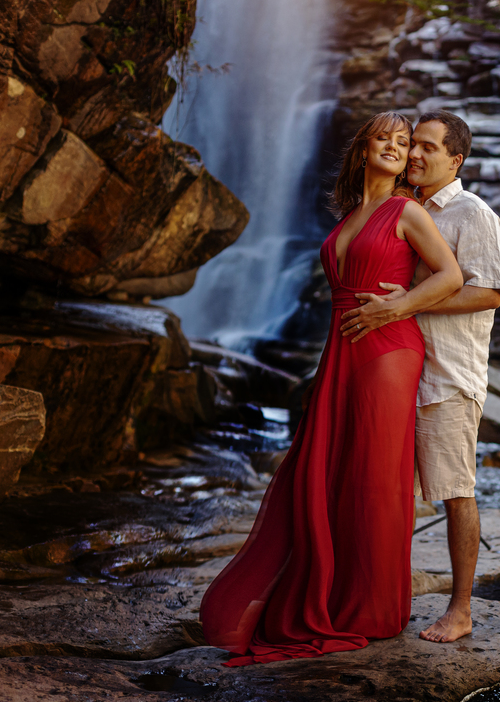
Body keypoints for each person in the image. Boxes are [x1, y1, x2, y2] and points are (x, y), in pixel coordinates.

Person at [198, 111, 463, 665]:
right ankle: (332, 589)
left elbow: (451, 277)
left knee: (372, 476)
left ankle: (373, 607)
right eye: (384, 138)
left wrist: (398, 305)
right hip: (341, 352)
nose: (396, 147)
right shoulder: (351, 214)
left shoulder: (406, 210)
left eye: (404, 142)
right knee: (328, 470)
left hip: (388, 352)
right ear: (362, 149)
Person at [340, 110, 500, 643]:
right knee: (388, 493)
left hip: (448, 379)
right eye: (414, 145)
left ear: (456, 160)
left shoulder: (472, 213)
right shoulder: (402, 207)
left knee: (455, 491)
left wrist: (405, 306)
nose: (415, 154)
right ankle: (385, 596)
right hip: (395, 369)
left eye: (429, 147)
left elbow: (488, 292)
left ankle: (461, 609)